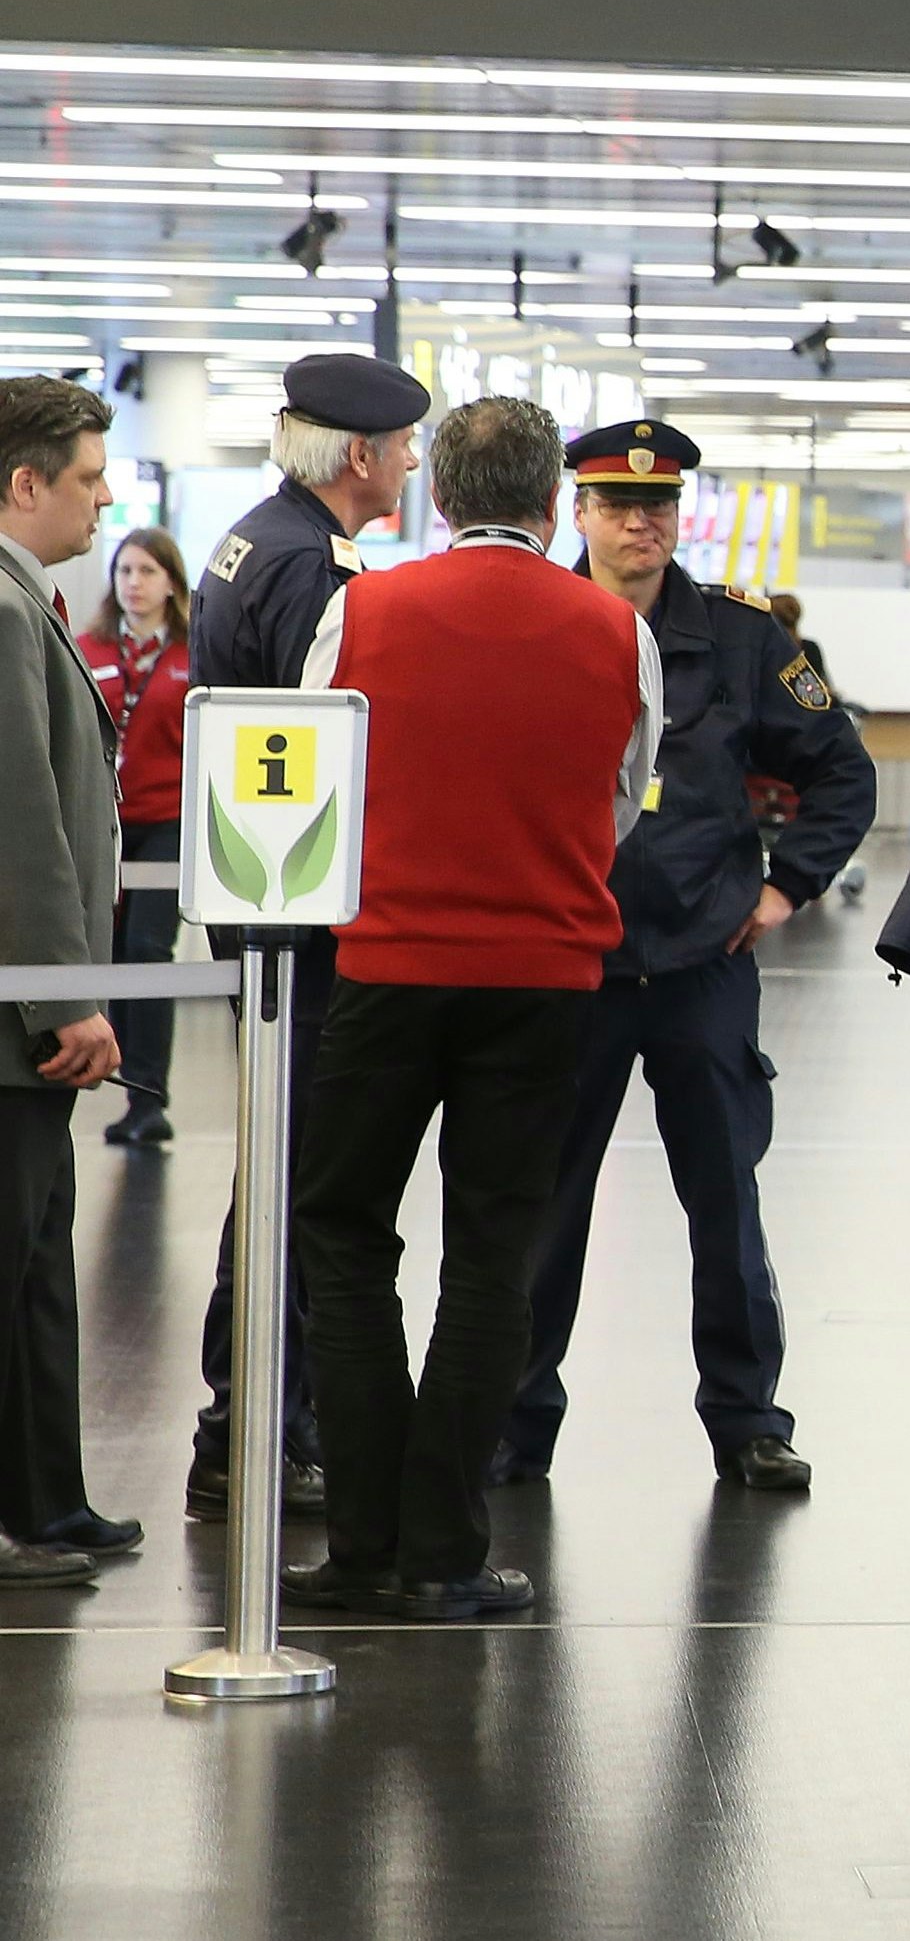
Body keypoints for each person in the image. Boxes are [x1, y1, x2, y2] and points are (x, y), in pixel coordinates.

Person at [280, 397, 660, 1622]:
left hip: (386, 972)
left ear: (438, 499)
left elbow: (314, 784)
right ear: (556, 505)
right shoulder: (617, 632)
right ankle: (446, 1551)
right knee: (495, 1258)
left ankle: (362, 1543)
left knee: (345, 1239)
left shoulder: (363, 608)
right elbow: (622, 801)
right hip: (545, 983)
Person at [498, 421, 874, 1494]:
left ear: (678, 518)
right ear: (577, 512)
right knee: (543, 1205)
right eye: (616, 505)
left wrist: (784, 886)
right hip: (570, 965)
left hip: (702, 966)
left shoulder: (744, 642)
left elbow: (842, 771)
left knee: (725, 1198)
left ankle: (748, 1419)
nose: (638, 523)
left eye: (657, 506)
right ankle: (515, 1423)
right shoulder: (537, 625)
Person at [183, 349, 423, 1522]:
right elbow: (325, 755)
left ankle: (247, 1424)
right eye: (406, 446)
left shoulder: (249, 539)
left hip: (254, 904)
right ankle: (260, 1430)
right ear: (362, 457)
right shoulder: (316, 571)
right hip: (300, 921)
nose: (416, 463)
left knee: (276, 1167)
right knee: (301, 1181)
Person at [0, 379, 134, 1583]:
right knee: (9, 1257)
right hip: (16, 1010)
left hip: (28, 1004)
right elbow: (21, 824)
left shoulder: (25, 603)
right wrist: (67, 995)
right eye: (87, 478)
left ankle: (46, 1503)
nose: (105, 499)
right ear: (24, 484)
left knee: (40, 1259)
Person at [76, 525, 191, 1147]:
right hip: (106, 823)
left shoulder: (191, 655)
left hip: (168, 823)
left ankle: (151, 1093)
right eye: (124, 571)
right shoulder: (88, 648)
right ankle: (126, 1090)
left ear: (171, 581)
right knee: (115, 952)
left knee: (149, 949)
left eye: (147, 571)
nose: (134, 583)